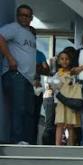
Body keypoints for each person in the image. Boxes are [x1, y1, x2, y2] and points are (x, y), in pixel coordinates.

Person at [0, 3, 37, 144]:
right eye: (21, 14)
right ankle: (17, 141)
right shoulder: (14, 28)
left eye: (27, 15)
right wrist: (10, 59)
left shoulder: (30, 34)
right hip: (15, 74)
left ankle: (25, 141)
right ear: (17, 16)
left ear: (31, 18)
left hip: (28, 79)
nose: (24, 17)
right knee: (18, 108)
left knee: (28, 111)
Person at [52, 50, 81, 146]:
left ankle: (70, 147)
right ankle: (57, 146)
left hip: (71, 102)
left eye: (67, 59)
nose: (64, 61)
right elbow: (55, 89)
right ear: (59, 61)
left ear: (70, 60)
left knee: (70, 125)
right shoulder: (56, 74)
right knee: (59, 124)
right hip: (60, 102)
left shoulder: (73, 74)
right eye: (62, 59)